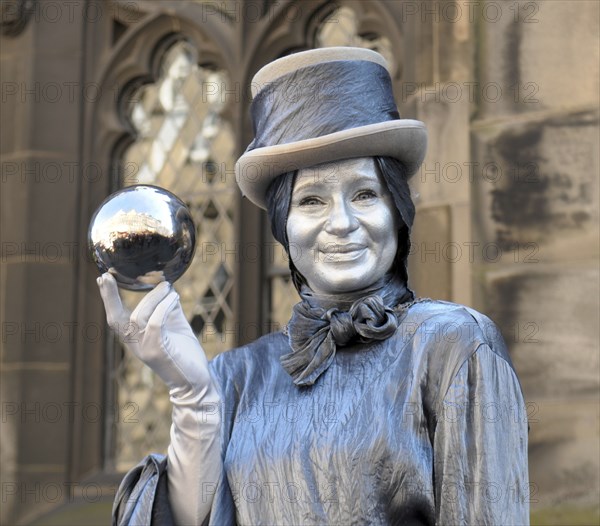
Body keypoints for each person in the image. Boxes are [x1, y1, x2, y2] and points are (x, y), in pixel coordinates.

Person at [98, 47, 529, 525]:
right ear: (284, 225)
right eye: (311, 200)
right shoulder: (234, 377)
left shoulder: (454, 346)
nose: (341, 223)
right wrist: (192, 398)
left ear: (398, 210)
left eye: (365, 193)